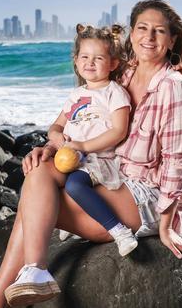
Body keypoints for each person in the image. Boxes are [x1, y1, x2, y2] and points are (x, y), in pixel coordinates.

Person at [0, 0, 182, 308]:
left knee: (34, 201)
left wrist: (167, 224)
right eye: (142, 28)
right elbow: (86, 118)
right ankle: (25, 280)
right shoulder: (125, 73)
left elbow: (178, 160)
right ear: (131, 34)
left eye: (159, 31)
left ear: (172, 39)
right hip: (109, 175)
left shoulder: (173, 87)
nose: (149, 37)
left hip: (145, 196)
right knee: (38, 174)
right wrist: (51, 146)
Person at [49, 23, 138, 257]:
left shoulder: (114, 92)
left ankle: (119, 230)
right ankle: (73, 222)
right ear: (76, 61)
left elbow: (119, 131)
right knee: (44, 181)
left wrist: (83, 146)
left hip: (99, 158)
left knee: (75, 185)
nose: (90, 63)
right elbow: (56, 126)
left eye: (98, 58)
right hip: (73, 157)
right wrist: (56, 136)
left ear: (113, 64)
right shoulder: (77, 95)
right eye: (85, 57)